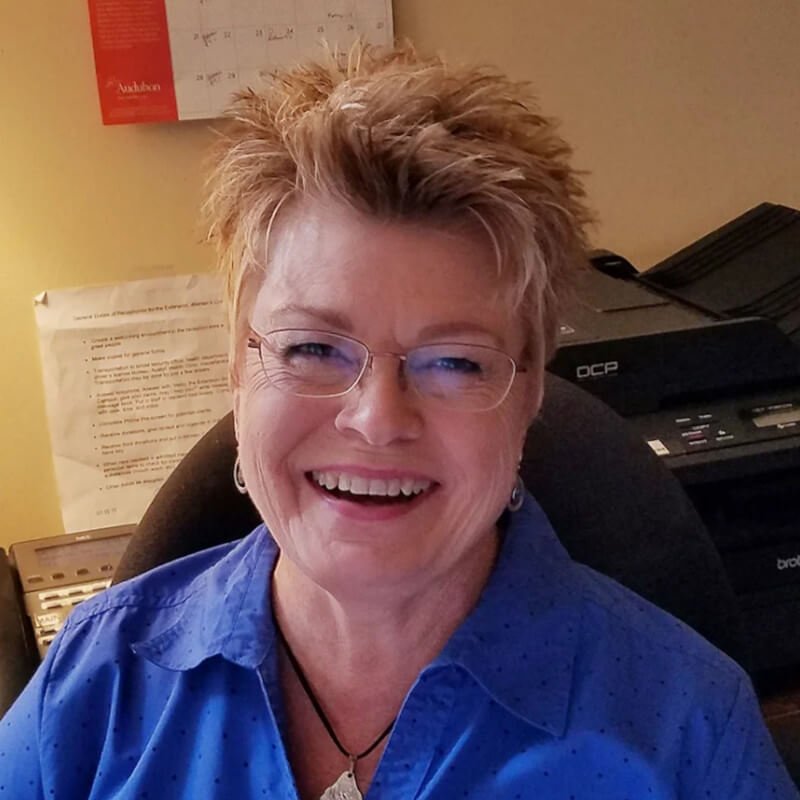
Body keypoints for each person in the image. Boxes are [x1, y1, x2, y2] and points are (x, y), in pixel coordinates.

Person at [0, 43, 796, 800]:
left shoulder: (688, 731)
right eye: (313, 347)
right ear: (239, 367)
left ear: (528, 394)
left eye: (454, 362)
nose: (378, 419)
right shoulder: (94, 688)